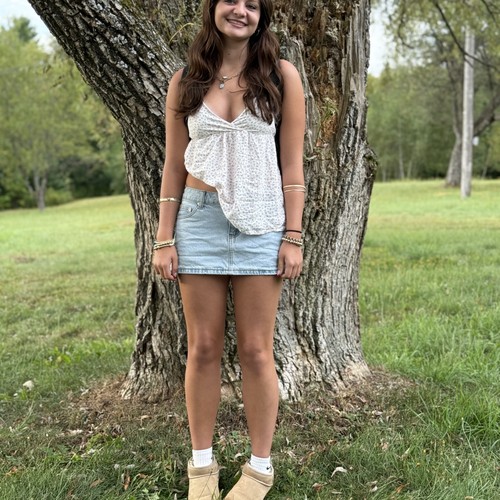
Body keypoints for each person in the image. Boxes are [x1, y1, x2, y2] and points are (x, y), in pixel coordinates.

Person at [152, 0, 305, 497]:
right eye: (230, 1)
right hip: (198, 222)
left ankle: (260, 468)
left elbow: (292, 168)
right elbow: (173, 165)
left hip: (261, 224)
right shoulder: (185, 81)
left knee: (258, 351)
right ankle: (202, 468)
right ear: (212, 9)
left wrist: (293, 235)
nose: (240, 11)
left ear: (261, 16)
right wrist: (164, 237)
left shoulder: (281, 77)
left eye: (252, 4)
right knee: (202, 348)